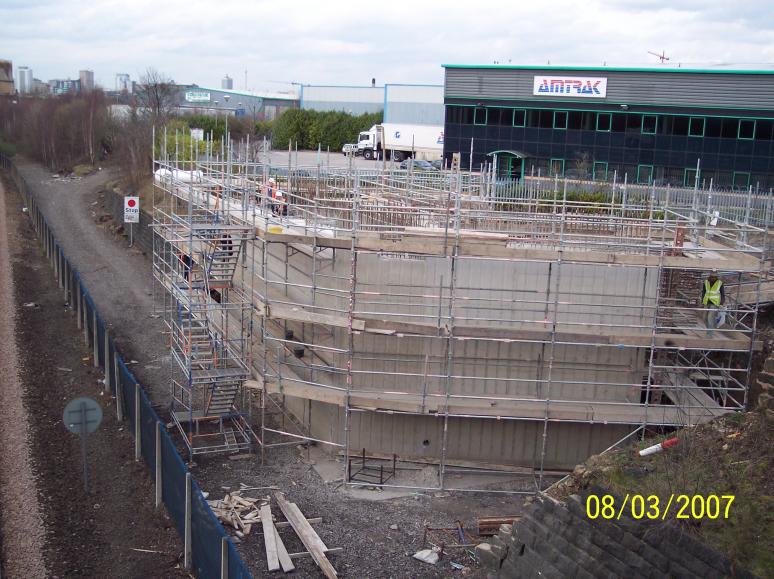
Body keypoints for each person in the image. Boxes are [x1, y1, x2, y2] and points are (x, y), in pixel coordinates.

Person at [701, 269, 725, 336]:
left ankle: (710, 334)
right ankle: (710, 329)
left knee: (710, 318)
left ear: (716, 276)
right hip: (706, 302)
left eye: (714, 276)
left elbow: (723, 294)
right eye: (712, 276)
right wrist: (702, 301)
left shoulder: (720, 283)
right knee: (704, 318)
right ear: (710, 275)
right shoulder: (706, 282)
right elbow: (704, 292)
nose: (713, 278)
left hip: (714, 303)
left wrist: (721, 303)